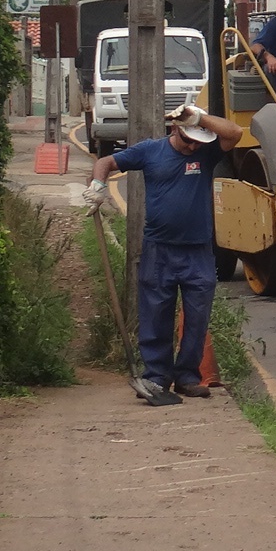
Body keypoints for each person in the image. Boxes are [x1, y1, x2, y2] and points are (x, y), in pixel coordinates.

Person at [85, 104, 244, 405]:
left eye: (199, 140)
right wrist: (98, 185)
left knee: (197, 316)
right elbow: (106, 162)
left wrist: (200, 119)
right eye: (189, 139)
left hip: (197, 251)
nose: (193, 146)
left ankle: (187, 375)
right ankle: (157, 376)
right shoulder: (150, 151)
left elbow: (235, 132)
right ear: (174, 129)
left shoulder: (205, 154)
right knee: (156, 313)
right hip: (160, 250)